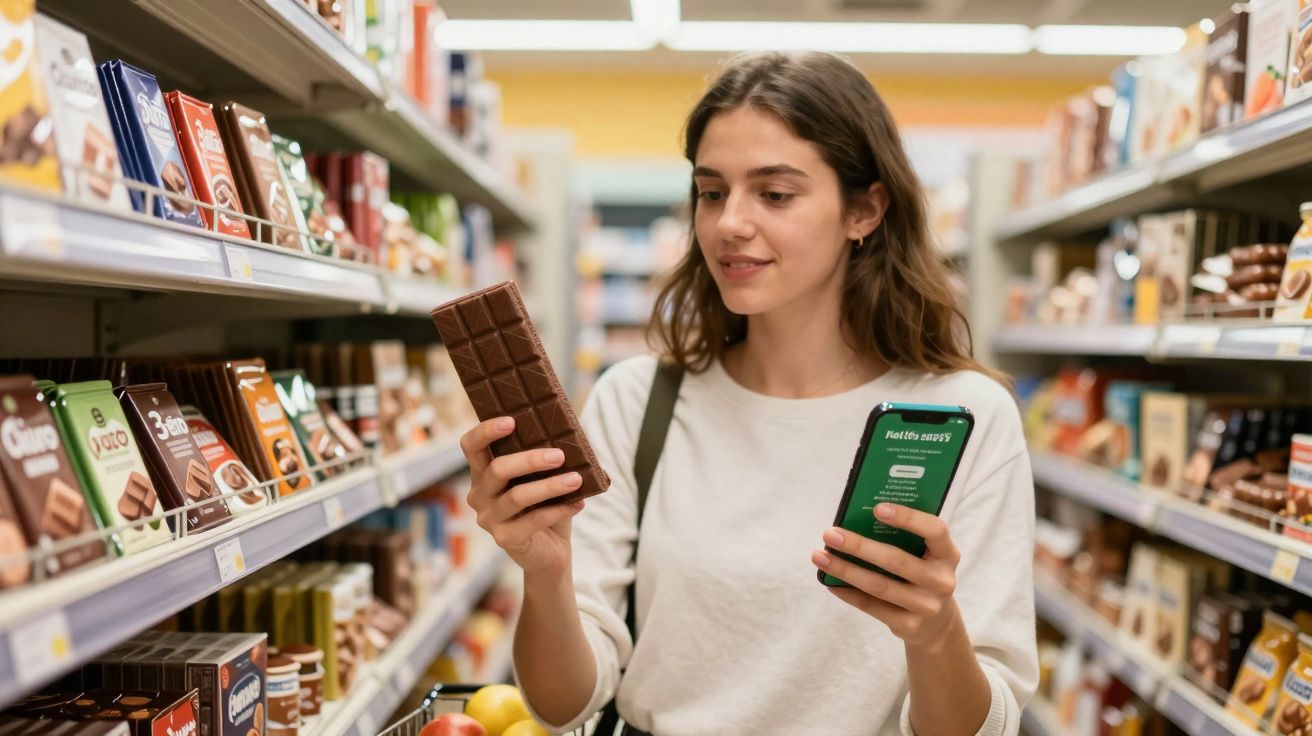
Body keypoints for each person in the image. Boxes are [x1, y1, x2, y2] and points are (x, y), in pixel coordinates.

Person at [459, 51, 1037, 736]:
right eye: (711, 192)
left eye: (775, 194)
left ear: (864, 209)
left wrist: (935, 633)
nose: (729, 222)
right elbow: (562, 705)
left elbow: (983, 726)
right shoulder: (637, 400)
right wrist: (546, 574)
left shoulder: (964, 415)